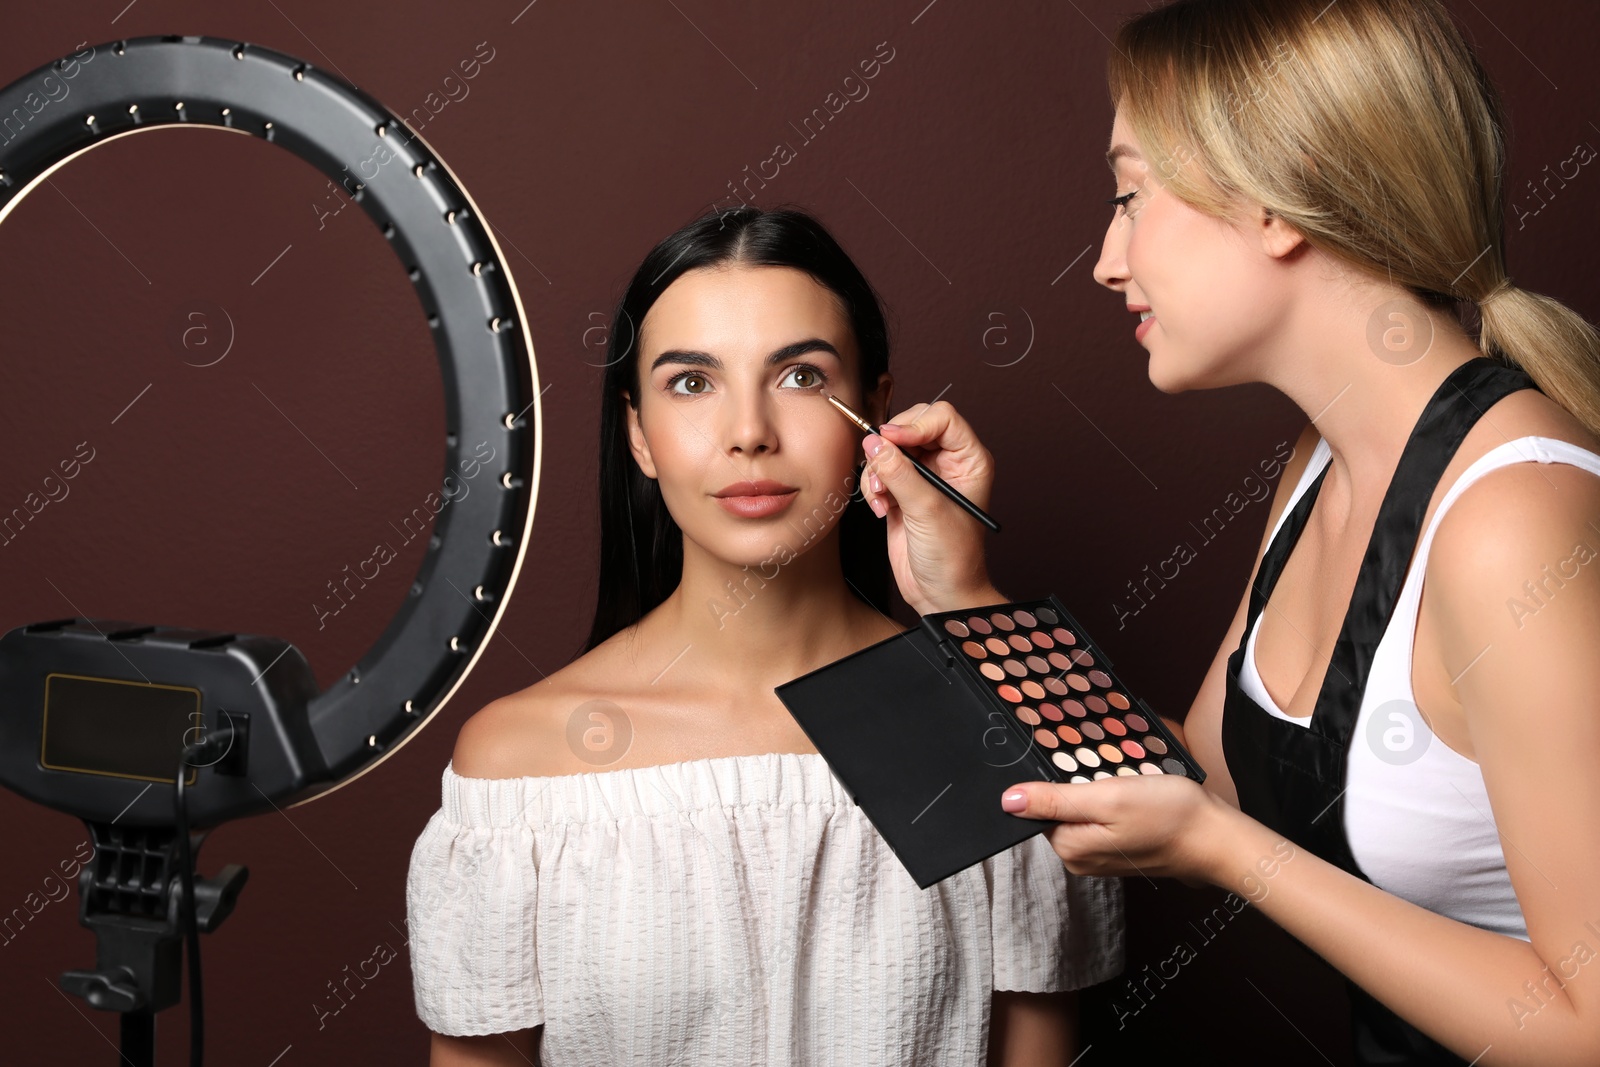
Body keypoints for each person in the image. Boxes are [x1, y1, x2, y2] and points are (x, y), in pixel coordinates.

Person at [858, 1, 1600, 1063]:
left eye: (1128, 196)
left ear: (1271, 202)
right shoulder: (1321, 463)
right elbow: (1197, 780)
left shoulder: (1511, 522)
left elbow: (1587, 1025)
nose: (1107, 259)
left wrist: (1222, 851)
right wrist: (964, 596)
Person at [405, 206, 1124, 1067]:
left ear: (877, 410)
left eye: (801, 377)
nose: (749, 432)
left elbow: (1154, 812)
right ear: (637, 432)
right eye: (692, 382)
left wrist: (968, 600)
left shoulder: (1001, 735)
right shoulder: (518, 769)